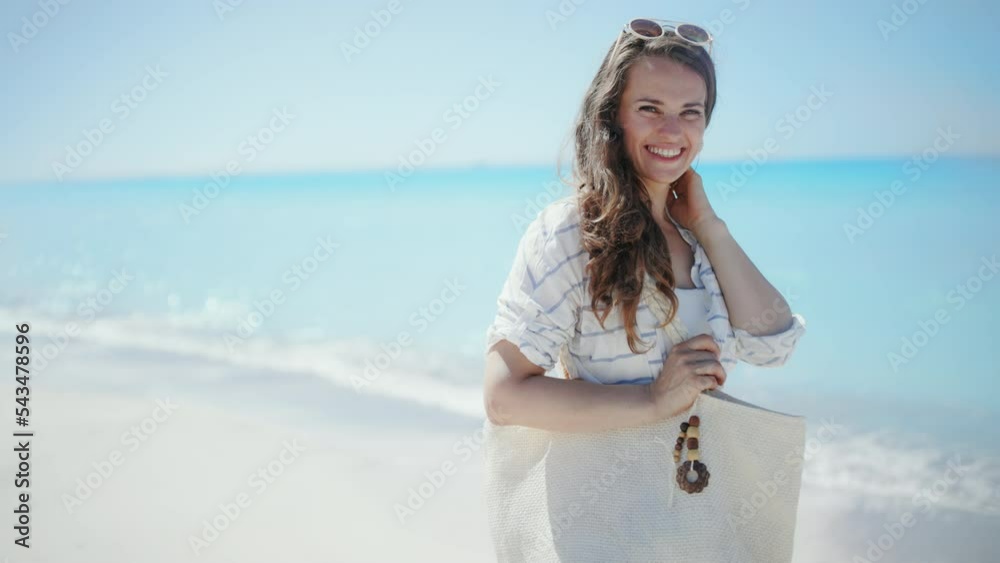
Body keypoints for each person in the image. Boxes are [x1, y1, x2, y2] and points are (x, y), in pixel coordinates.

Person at [483, 18, 806, 433]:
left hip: (702, 495)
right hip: (605, 496)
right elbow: (504, 397)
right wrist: (653, 400)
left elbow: (774, 347)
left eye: (691, 112)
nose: (672, 131)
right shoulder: (570, 231)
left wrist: (711, 227)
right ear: (612, 115)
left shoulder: (698, 238)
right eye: (649, 108)